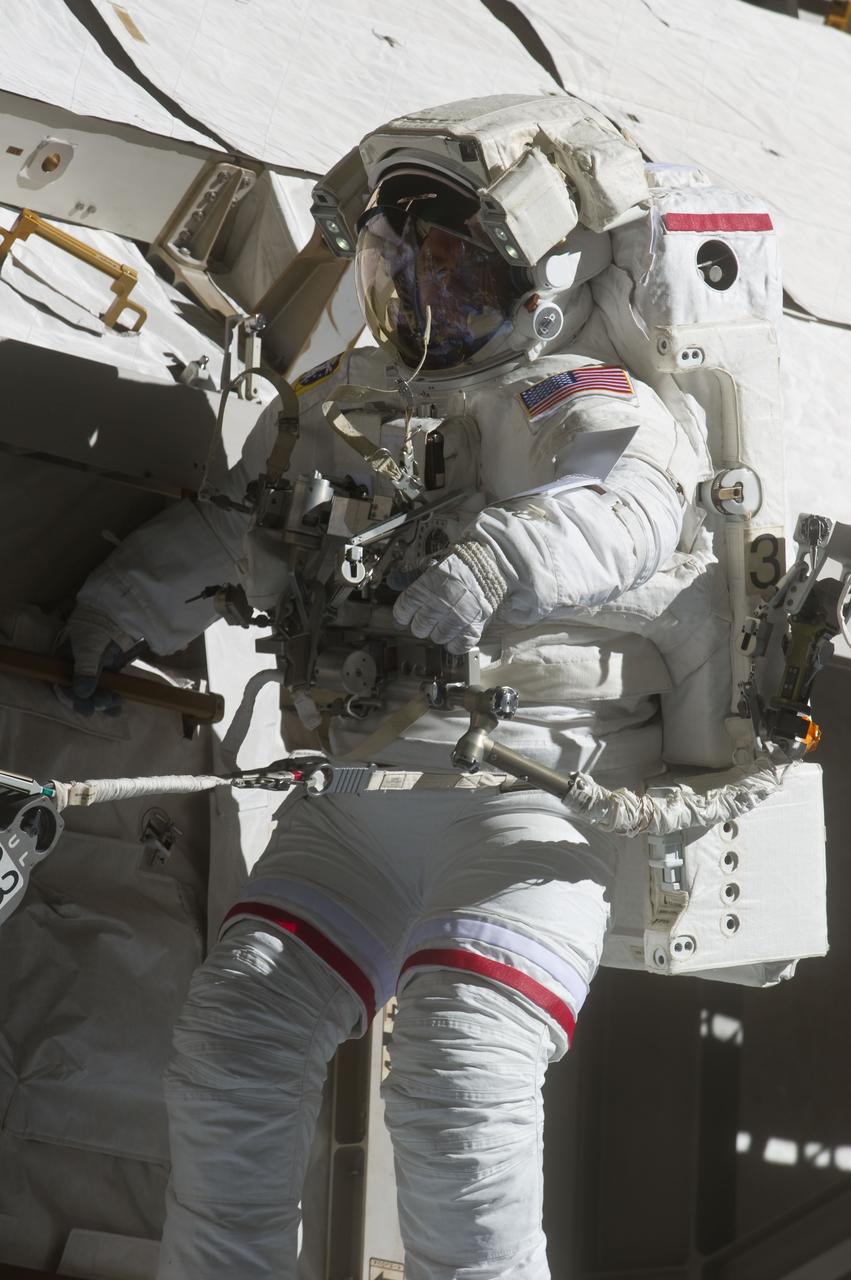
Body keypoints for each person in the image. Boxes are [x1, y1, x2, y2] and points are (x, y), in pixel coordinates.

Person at [69, 95, 711, 1279]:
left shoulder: (593, 405)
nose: (423, 302)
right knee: (233, 1042)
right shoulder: (350, 403)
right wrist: (124, 609)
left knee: (458, 1076)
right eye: (398, 269)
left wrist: (493, 560)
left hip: (524, 811)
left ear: (546, 284)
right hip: (352, 810)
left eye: (457, 275)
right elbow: (251, 529)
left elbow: (620, 518)